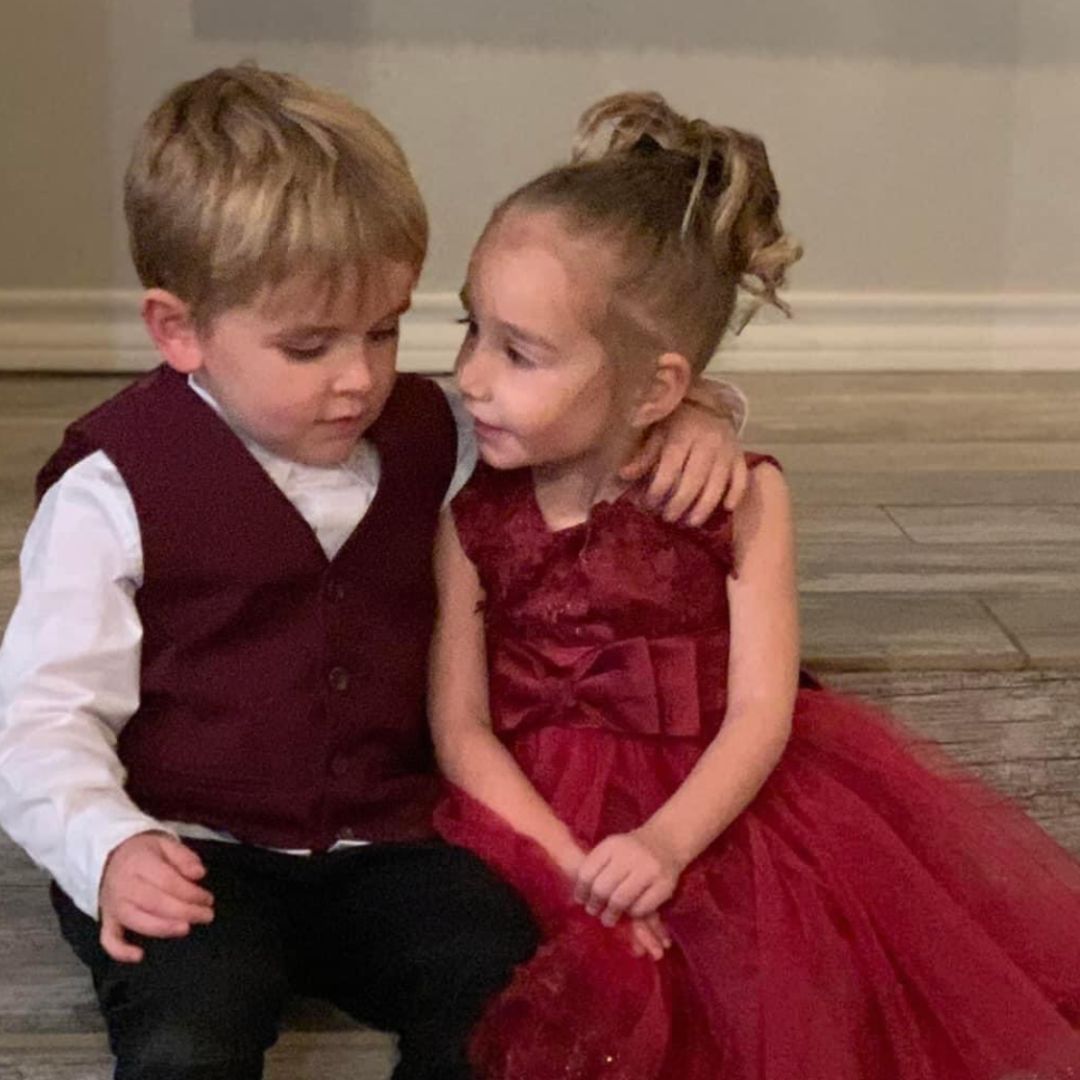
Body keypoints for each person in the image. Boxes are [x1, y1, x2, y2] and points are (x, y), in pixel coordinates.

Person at [0, 70, 749, 1080]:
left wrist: (696, 409)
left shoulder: (431, 430)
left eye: (388, 329)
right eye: (310, 346)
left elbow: (573, 413)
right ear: (179, 330)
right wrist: (108, 848)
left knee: (505, 988)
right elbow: (40, 719)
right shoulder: (111, 489)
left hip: (390, 839)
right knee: (185, 1041)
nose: (360, 376)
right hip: (192, 845)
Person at [430, 90, 1080, 1079]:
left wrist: (663, 843)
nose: (472, 378)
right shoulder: (469, 519)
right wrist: (568, 871)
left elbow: (762, 712)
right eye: (471, 329)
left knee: (751, 988)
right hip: (529, 820)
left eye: (518, 353)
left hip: (708, 811)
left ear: (659, 387)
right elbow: (462, 730)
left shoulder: (743, 501)